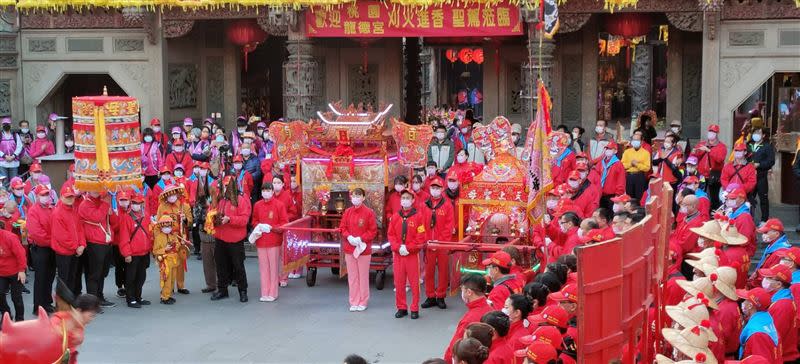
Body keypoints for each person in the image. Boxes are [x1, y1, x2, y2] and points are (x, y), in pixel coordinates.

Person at [211, 175, 251, 303]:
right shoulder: (220, 199)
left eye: (228, 185)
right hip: (220, 237)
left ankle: (243, 291)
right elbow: (213, 211)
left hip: (235, 239)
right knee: (221, 265)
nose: (225, 188)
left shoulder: (241, 199)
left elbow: (244, 220)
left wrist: (230, 219)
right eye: (224, 185)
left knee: (238, 266)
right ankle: (222, 290)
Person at [387, 188, 426, 319]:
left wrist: (409, 247)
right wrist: (398, 248)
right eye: (403, 198)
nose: (405, 200)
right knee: (399, 282)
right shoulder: (395, 217)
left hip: (411, 255)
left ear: (413, 200)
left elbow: (421, 236)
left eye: (408, 198)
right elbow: (391, 235)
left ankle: (414, 308)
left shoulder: (418, 216)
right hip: (398, 255)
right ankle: (401, 307)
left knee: (414, 283)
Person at [339, 188, 378, 312]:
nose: (355, 198)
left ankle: (363, 300)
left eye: (358, 196)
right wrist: (349, 237)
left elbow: (372, 231)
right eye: (353, 196)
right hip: (350, 248)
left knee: (363, 276)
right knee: (352, 276)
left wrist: (361, 238)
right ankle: (354, 301)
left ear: (363, 198)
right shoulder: (347, 212)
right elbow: (342, 228)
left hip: (363, 249)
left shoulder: (369, 212)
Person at [250, 183, 288, 302]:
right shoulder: (257, 205)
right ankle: (264, 292)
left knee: (273, 267)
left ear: (272, 191)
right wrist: (259, 226)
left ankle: (273, 293)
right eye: (264, 190)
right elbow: (254, 220)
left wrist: (271, 227)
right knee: (263, 268)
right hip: (261, 240)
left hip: (274, 241)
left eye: (268, 190)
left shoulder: (279, 205)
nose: (266, 192)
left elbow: (284, 223)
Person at [443, 273, 492, 362]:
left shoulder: (470, 319)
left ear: (469, 292)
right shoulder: (490, 307)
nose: (461, 292)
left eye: (462, 289)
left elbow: (456, 346)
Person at [78, 191, 115, 307]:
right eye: (93, 188)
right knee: (94, 274)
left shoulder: (101, 201)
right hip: (94, 243)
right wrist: (106, 203)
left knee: (102, 272)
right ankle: (92, 303)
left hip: (105, 241)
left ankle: (99, 297)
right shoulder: (84, 204)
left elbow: (112, 220)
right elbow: (97, 217)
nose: (96, 191)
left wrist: (110, 207)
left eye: (97, 188)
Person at [422, 177, 454, 310]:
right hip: (428, 244)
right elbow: (420, 224)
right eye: (433, 188)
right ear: (429, 189)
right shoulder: (424, 205)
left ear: (442, 190)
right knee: (428, 272)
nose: (435, 190)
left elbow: (449, 225)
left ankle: (440, 296)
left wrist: (439, 241)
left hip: (442, 244)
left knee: (443, 271)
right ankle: (430, 296)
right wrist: (426, 239)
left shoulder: (447, 205)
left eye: (437, 188)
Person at [156, 184, 192, 296]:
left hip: (180, 236)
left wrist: (185, 219)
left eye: (173, 194)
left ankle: (181, 286)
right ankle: (168, 286)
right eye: (169, 194)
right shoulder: (162, 207)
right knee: (167, 262)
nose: (172, 196)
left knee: (180, 261)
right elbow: (158, 223)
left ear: (177, 193)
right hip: (166, 236)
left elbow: (190, 222)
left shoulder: (184, 206)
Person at [758, 264, 799, 362]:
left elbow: (774, 335)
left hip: (783, 358)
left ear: (779, 284)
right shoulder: (780, 300)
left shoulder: (782, 306)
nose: (765, 279)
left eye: (769, 278)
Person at [117, 193, 151, 308]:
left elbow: (149, 233)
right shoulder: (127, 217)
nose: (137, 205)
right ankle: (130, 299)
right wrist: (127, 253)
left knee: (141, 276)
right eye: (135, 203)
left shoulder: (145, 216)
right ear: (131, 204)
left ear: (142, 204)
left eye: (139, 203)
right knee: (131, 277)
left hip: (144, 252)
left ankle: (138, 296)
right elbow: (124, 237)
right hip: (133, 253)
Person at [27, 184, 56, 314]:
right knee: (41, 278)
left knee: (49, 276)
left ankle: (47, 302)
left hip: (51, 247)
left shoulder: (51, 208)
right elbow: (36, 233)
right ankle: (38, 306)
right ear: (37, 196)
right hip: (40, 248)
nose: (45, 197)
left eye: (46, 194)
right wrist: (53, 241)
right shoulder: (33, 211)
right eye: (42, 195)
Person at [49, 293, 101, 364]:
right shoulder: (58, 318)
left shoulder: (80, 324)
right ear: (79, 311)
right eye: (91, 315)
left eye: (93, 316)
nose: (91, 319)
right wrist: (72, 323)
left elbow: (77, 340)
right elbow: (51, 335)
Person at [51, 185, 84, 294]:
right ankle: (61, 305)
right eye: (67, 197)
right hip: (64, 252)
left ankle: (69, 302)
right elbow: (61, 236)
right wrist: (76, 247)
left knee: (72, 277)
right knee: (63, 279)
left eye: (72, 197)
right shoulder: (57, 213)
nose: (70, 199)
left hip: (74, 250)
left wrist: (82, 245)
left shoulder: (74, 210)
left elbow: (80, 229)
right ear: (61, 197)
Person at [190, 162, 216, 293]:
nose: (202, 171)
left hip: (215, 230)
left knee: (218, 260)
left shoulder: (214, 185)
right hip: (203, 230)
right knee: (207, 261)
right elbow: (195, 207)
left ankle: (221, 284)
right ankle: (210, 284)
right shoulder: (195, 185)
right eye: (200, 169)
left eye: (205, 169)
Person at [736, 287, 781, 362]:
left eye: (745, 300)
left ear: (750, 306)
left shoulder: (757, 335)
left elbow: (761, 361)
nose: (743, 303)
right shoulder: (766, 320)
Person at [693, 124, 727, 209]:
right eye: (710, 131)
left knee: (714, 197)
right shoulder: (702, 144)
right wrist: (695, 151)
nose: (711, 133)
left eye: (713, 132)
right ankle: (700, 211)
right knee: (699, 195)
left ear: (717, 134)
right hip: (701, 175)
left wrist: (709, 151)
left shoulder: (721, 146)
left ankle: (714, 214)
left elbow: (720, 159)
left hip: (714, 175)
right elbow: (694, 156)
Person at [152, 215, 183, 305]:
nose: (167, 228)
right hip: (165, 262)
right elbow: (155, 251)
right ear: (161, 226)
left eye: (169, 226)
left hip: (174, 261)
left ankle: (168, 295)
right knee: (167, 280)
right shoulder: (158, 237)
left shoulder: (173, 235)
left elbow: (178, 246)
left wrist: (178, 244)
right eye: (165, 226)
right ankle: (164, 297)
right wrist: (164, 249)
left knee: (172, 279)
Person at [746, 128, 774, 222]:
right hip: (749, 177)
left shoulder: (767, 146)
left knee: (763, 199)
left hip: (761, 176)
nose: (756, 135)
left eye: (759, 133)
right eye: (754, 133)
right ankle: (748, 218)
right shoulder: (749, 145)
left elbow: (771, 161)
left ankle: (764, 220)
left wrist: (760, 164)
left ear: (763, 135)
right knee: (749, 198)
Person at [0, 221, 26, 322]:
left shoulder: (9, 237)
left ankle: (20, 320)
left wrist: (22, 270)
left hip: (15, 271)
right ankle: (6, 314)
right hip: (1, 272)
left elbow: (20, 254)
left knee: (16, 298)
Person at [590, 141, 625, 210]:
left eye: (610, 149)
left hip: (612, 196)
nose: (607, 150)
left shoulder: (618, 164)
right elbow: (595, 177)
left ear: (615, 151)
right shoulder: (600, 163)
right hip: (600, 194)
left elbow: (621, 181)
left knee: (609, 215)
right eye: (607, 149)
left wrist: (618, 195)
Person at [726, 188, 757, 257]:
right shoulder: (733, 212)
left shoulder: (745, 217)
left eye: (733, 198)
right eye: (729, 198)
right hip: (735, 250)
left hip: (740, 254)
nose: (729, 200)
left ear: (742, 200)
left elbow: (744, 240)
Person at [621, 133, 650, 201]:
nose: (635, 141)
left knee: (639, 197)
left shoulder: (646, 153)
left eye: (637, 140)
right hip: (629, 176)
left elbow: (647, 168)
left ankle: (638, 211)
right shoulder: (627, 152)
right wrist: (631, 164)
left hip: (640, 176)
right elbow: (622, 165)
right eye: (633, 140)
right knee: (629, 197)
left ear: (641, 141)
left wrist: (637, 165)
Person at [0, 117, 22, 183]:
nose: (6, 125)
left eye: (8, 124)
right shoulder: (0, 135)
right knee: (4, 182)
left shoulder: (15, 135)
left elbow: (19, 147)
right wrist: (4, 156)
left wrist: (13, 156)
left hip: (14, 162)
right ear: (1, 125)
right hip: (2, 162)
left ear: (11, 125)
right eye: (4, 124)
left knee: (14, 182)